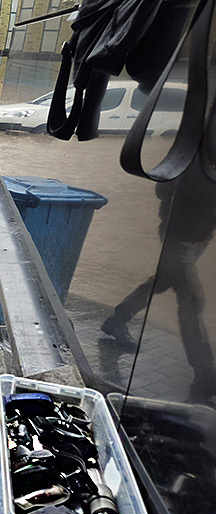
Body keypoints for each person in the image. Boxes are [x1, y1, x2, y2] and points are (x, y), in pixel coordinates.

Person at [100, 155, 216, 403]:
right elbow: (162, 187)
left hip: (198, 238)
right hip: (179, 239)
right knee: (192, 301)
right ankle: (205, 372)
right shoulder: (192, 152)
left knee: (161, 282)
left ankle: (117, 319)